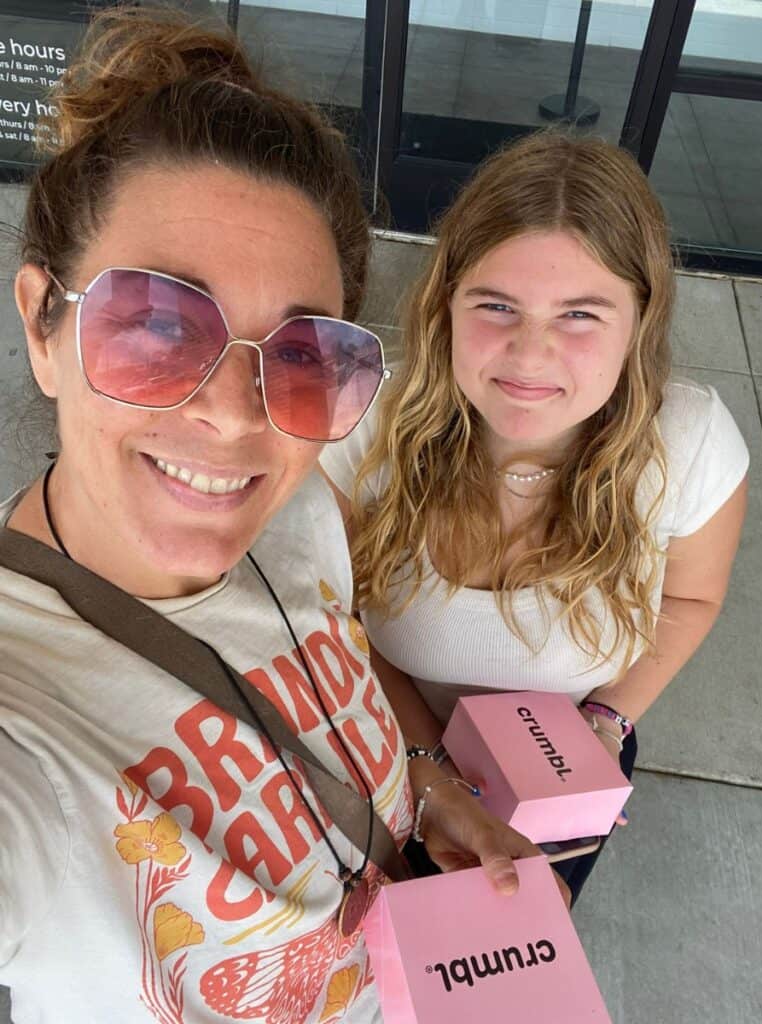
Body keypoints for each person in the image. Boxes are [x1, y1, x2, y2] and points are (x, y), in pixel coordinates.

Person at [0, 8, 562, 1023]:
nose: (233, 414)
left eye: (302, 356)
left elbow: (335, 672)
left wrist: (432, 793)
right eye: (158, 324)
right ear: (44, 323)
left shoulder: (297, 513)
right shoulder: (22, 721)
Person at [321, 131, 749, 902]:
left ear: (640, 323)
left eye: (581, 314)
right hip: (383, 737)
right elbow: (331, 619)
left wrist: (604, 726)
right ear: (446, 303)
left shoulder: (689, 445)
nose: (529, 354)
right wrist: (425, 764)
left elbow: (689, 599)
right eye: (496, 305)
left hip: (569, 754)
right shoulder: (361, 429)